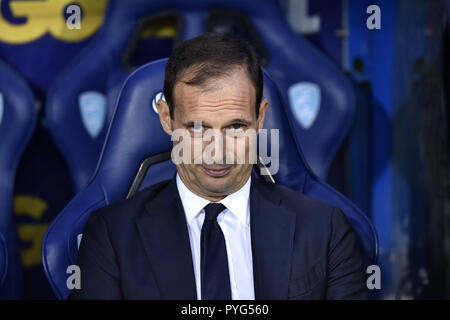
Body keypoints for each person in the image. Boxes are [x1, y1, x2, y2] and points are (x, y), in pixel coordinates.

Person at [69, 32, 366, 300]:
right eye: (198, 128)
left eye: (236, 127)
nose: (218, 152)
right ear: (166, 118)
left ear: (260, 118)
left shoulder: (324, 230)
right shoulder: (111, 236)